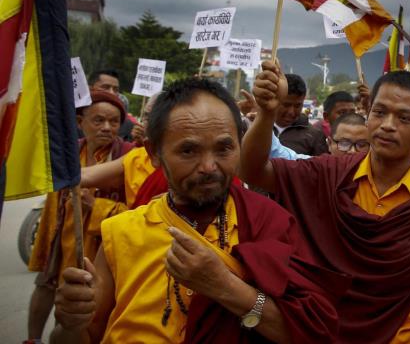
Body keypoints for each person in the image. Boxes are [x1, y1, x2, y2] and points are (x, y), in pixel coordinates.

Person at [50, 78, 346, 343]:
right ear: (153, 153)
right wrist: (69, 324)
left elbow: (309, 332)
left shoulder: (269, 221)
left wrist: (224, 286)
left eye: (224, 149)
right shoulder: (121, 232)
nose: (209, 167)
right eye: (188, 151)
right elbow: (83, 335)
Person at [241, 65, 410, 343]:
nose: (387, 125)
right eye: (380, 112)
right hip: (325, 333)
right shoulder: (331, 172)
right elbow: (252, 171)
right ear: (368, 115)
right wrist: (265, 113)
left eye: (404, 118)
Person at [26, 91, 134, 343]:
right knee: (46, 285)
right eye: (98, 121)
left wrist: (96, 206)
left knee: (79, 304)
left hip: (97, 247)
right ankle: (32, 339)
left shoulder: (128, 156)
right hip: (61, 237)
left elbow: (136, 213)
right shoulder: (69, 152)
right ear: (80, 122)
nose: (107, 128)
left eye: (114, 121)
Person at [276, 74, 328, 156]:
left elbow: (321, 167)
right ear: (274, 100)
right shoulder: (258, 128)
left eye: (297, 106)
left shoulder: (315, 135)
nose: (291, 112)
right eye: (286, 105)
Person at [87, 69, 134, 141]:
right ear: (90, 89)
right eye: (105, 87)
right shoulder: (72, 120)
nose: (111, 93)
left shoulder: (127, 126)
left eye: (115, 89)